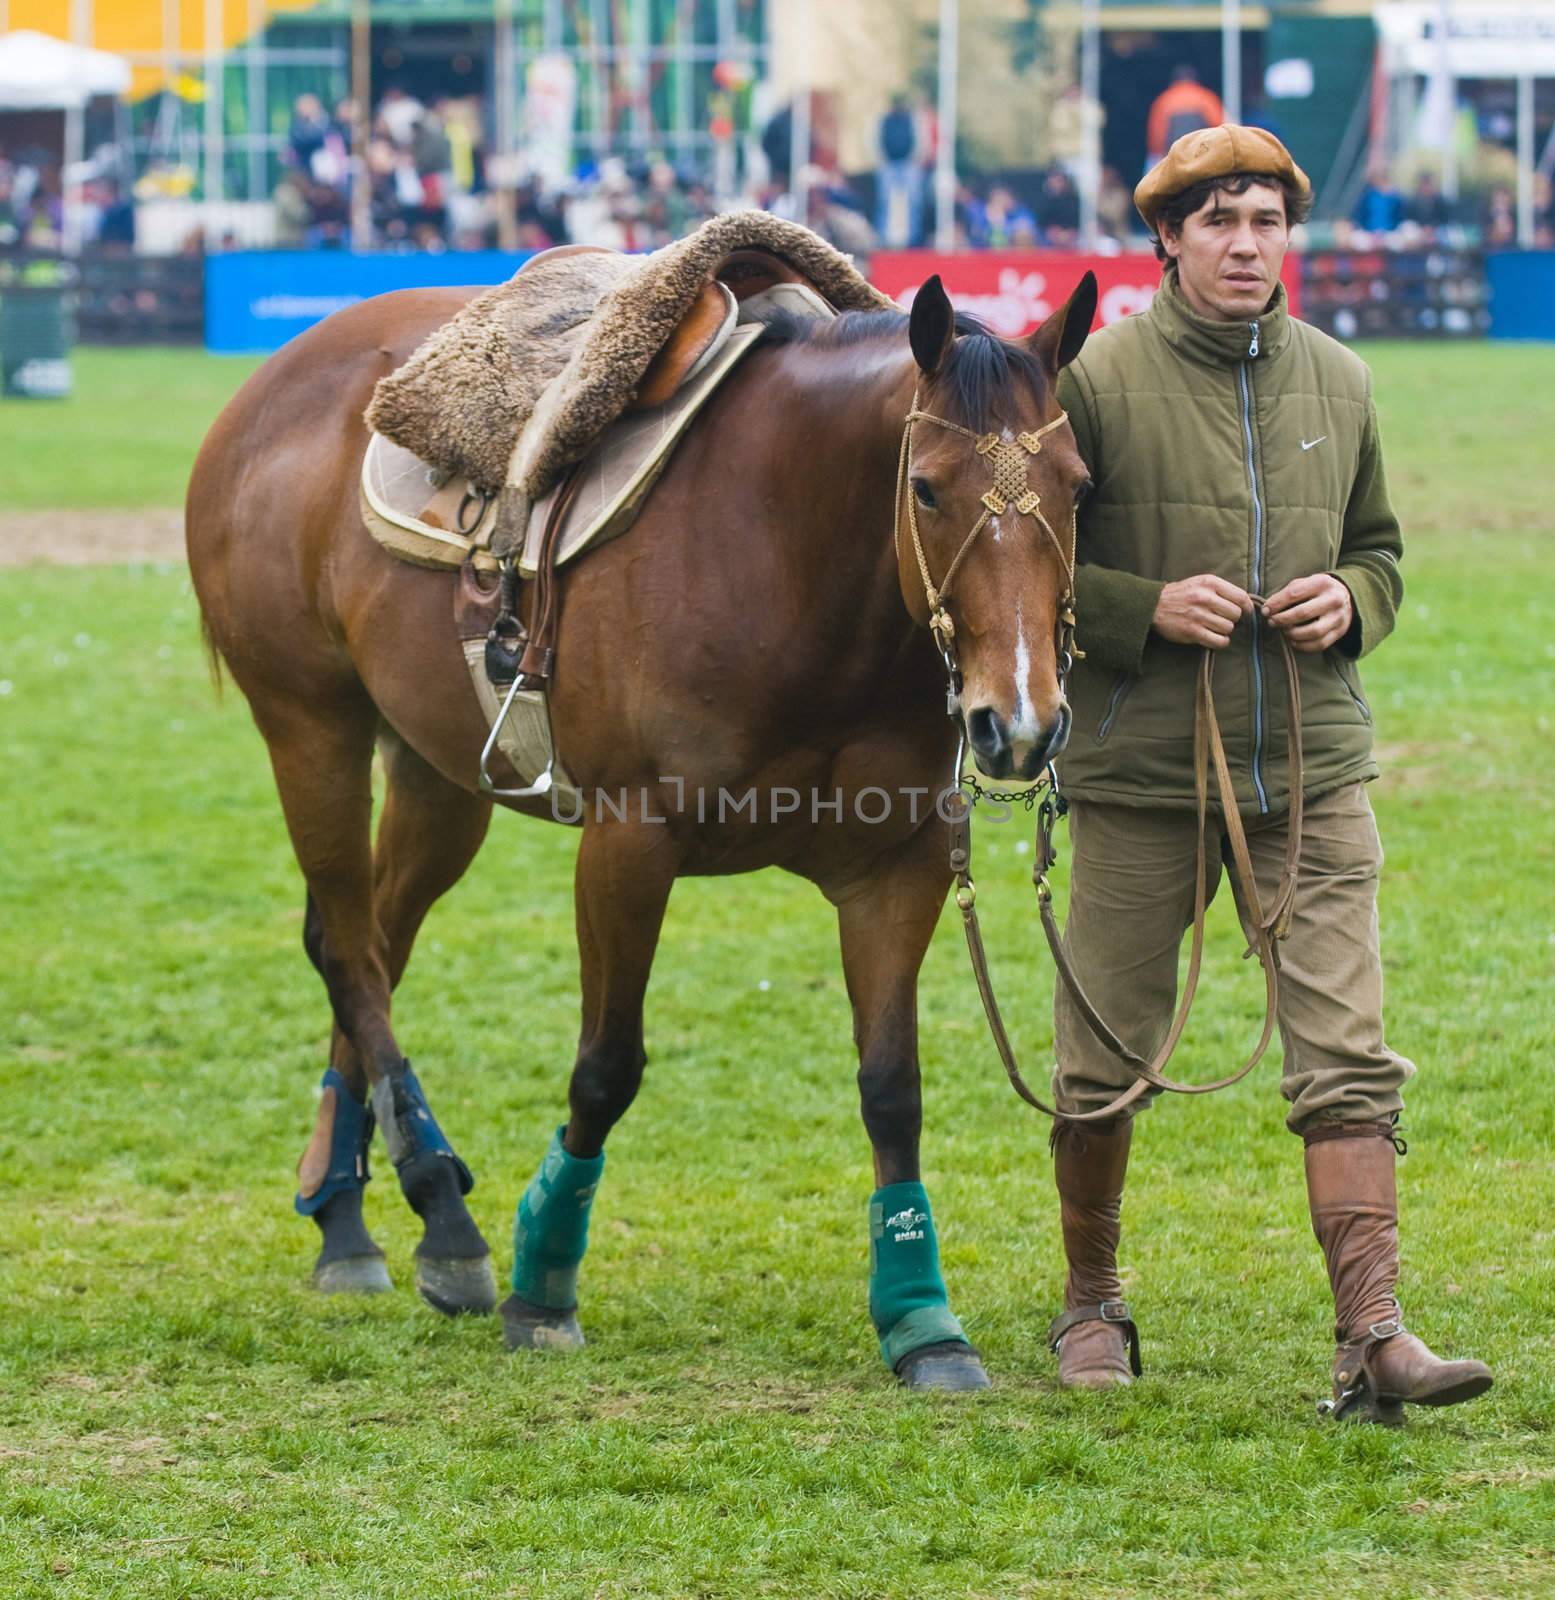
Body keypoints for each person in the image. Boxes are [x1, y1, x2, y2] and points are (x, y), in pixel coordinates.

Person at [1048, 125, 1494, 1424]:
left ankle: (1372, 1337)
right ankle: (1090, 1299)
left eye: (1263, 223)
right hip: (1139, 777)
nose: (1245, 245)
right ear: (1166, 242)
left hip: (1309, 769)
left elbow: (1382, 553)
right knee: (1101, 1056)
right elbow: (1012, 577)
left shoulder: (1340, 380)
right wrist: (1134, 607)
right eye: (1217, 223)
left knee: (1345, 1058)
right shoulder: (1089, 383)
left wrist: (1345, 601)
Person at [1145, 67, 1224, 167]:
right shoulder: (1206, 97)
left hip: (1173, 158)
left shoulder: (1164, 100)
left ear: (1174, 82)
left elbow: (1156, 141)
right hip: (1202, 155)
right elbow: (1222, 130)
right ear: (1195, 80)